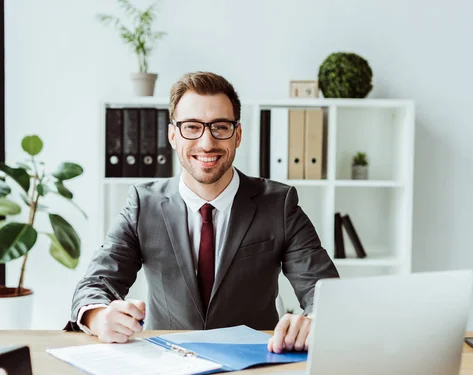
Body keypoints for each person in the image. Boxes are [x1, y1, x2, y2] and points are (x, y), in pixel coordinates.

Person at [65, 71, 339, 353]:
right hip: (166, 363)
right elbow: (97, 281)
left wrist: (312, 320)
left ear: (238, 135)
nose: (207, 143)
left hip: (254, 363)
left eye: (220, 127)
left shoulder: (278, 204)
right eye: (192, 127)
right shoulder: (142, 203)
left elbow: (326, 291)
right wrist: (98, 317)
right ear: (173, 135)